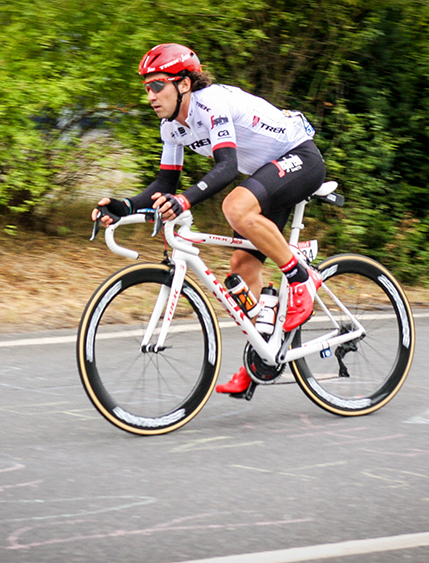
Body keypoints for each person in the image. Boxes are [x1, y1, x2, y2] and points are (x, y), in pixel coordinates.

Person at [92, 43, 326, 395]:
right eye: (146, 88)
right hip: (269, 174)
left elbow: (227, 166)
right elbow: (164, 184)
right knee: (241, 270)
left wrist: (184, 201)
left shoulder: (212, 102)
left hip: (299, 158)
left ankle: (301, 279)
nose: (150, 96)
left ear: (183, 84)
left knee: (235, 206)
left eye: (157, 85)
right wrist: (123, 207)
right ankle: (263, 359)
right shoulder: (172, 127)